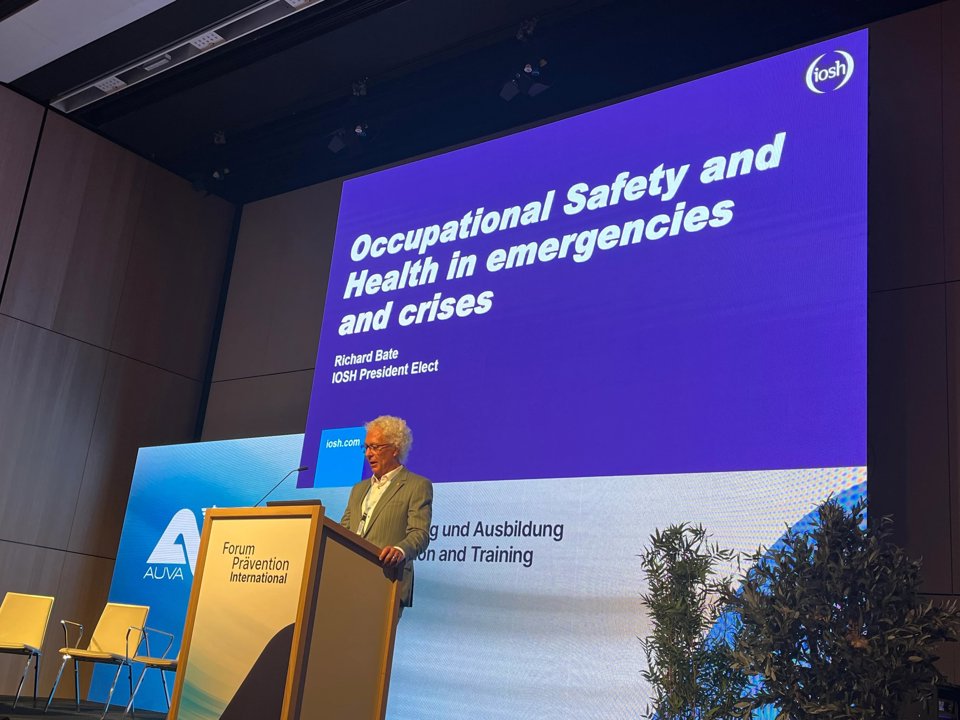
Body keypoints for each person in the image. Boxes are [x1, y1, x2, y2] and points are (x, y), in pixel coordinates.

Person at [340, 415, 433, 610]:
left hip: (386, 580)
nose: (368, 454)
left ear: (395, 448)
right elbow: (344, 530)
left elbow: (420, 534)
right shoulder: (358, 489)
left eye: (375, 447)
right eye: (366, 447)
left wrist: (400, 550)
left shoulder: (417, 486)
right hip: (349, 580)